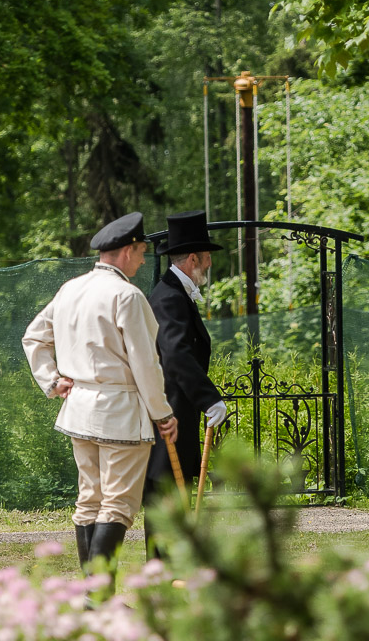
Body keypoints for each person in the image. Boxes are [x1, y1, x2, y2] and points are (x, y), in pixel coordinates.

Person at [23, 211, 178, 567]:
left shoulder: (70, 289)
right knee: (118, 504)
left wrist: (51, 379)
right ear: (127, 250)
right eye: (141, 252)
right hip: (119, 412)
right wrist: (163, 413)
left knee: (90, 500)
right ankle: (98, 600)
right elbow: (145, 363)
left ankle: (95, 599)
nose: (142, 260)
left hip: (79, 409)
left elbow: (33, 336)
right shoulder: (127, 295)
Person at [144, 210, 227, 515]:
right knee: (167, 502)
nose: (209, 264)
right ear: (193, 259)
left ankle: (169, 562)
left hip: (177, 414)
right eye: (207, 257)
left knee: (174, 502)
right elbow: (176, 353)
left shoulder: (177, 293)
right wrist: (209, 399)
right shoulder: (169, 297)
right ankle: (162, 563)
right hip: (170, 415)